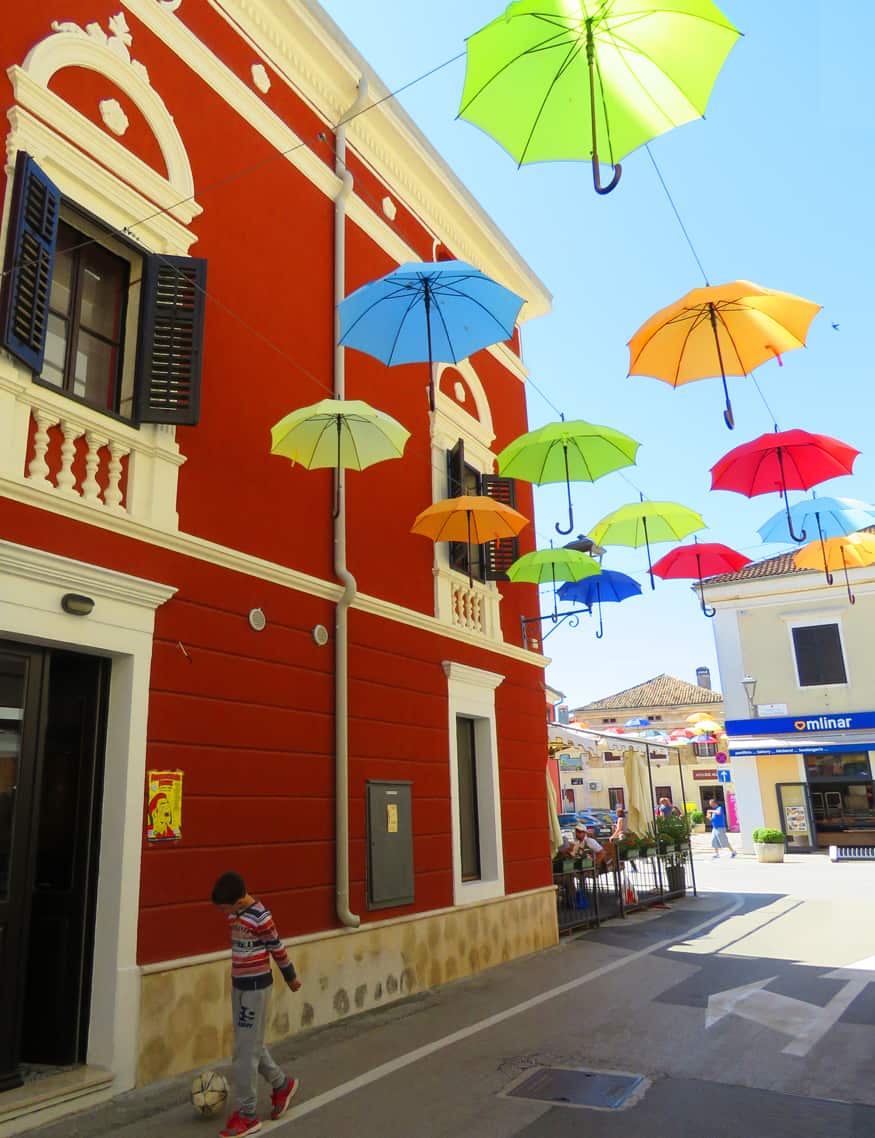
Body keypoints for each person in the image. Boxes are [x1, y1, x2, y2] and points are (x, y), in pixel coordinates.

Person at [211, 871, 302, 1137]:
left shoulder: (261, 918)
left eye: (225, 908)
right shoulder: (234, 915)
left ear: (238, 902)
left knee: (244, 1052)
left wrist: (291, 977)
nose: (224, 913)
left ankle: (247, 1114)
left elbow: (277, 948)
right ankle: (281, 1084)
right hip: (238, 985)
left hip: (256, 987)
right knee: (248, 1044)